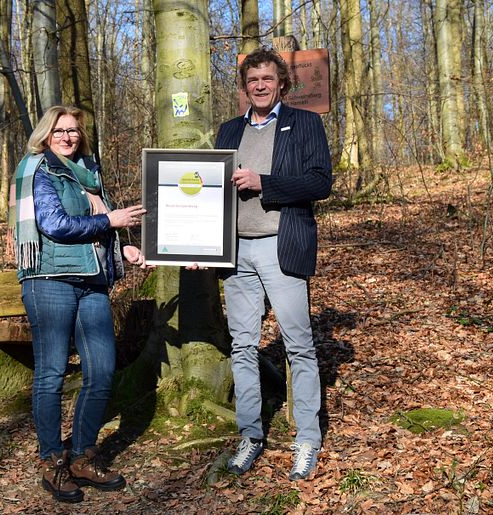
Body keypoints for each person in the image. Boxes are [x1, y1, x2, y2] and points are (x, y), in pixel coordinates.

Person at [13, 105, 147, 503]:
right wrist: (113, 222)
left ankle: (83, 454)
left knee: (102, 370)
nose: (68, 137)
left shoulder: (88, 173)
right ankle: (52, 459)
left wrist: (123, 251)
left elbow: (98, 228)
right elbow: (53, 225)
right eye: (60, 130)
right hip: (48, 280)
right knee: (52, 373)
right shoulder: (39, 170)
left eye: (73, 131)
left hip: (92, 281)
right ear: (46, 134)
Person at [215, 47, 332, 480]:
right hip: (235, 253)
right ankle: (250, 436)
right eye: (252, 81)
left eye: (267, 79)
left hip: (281, 247)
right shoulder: (228, 132)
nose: (260, 86)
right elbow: (209, 196)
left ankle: (307, 440)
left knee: (298, 345)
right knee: (242, 347)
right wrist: (197, 248)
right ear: (244, 87)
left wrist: (266, 183)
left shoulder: (304, 123)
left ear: (282, 82)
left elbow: (321, 181)